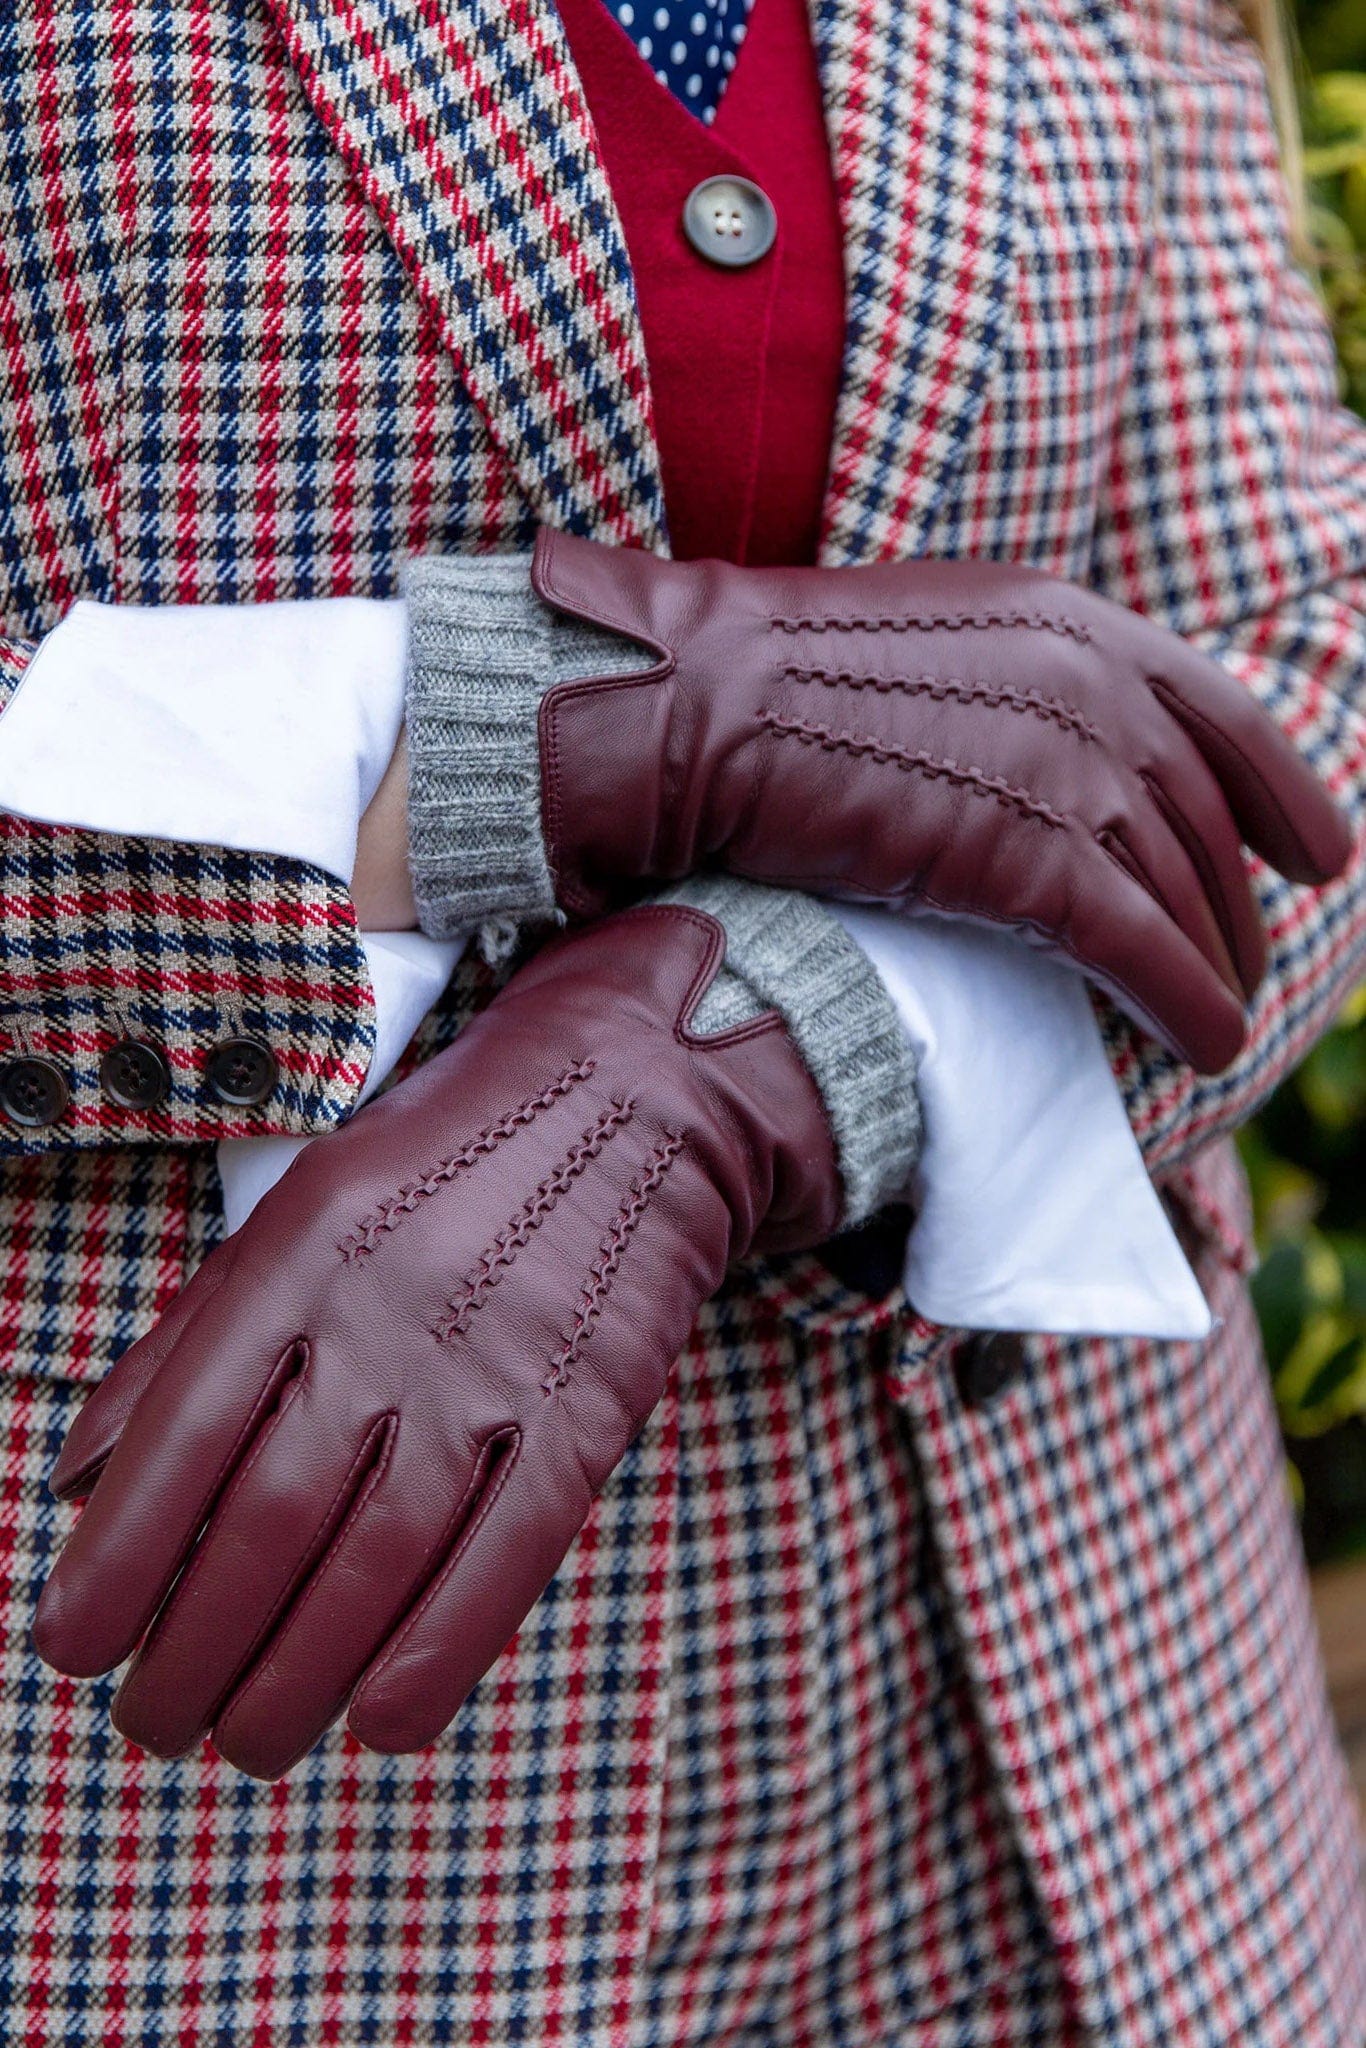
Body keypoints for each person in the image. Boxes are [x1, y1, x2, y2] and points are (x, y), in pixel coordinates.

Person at [1, 0, 1364, 2039]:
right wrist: (552, 730)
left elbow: (1306, 673)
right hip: (226, 1794)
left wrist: (772, 1044)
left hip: (1104, 1744)